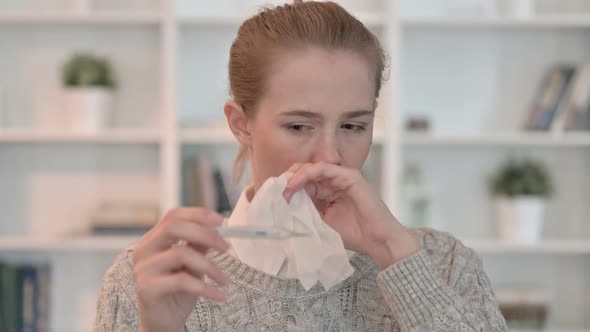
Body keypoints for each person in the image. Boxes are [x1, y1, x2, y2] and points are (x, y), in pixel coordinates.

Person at [95, 1, 508, 331]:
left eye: (352, 125)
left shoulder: (444, 264)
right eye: (298, 126)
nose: (329, 156)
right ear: (241, 125)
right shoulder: (153, 278)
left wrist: (397, 257)